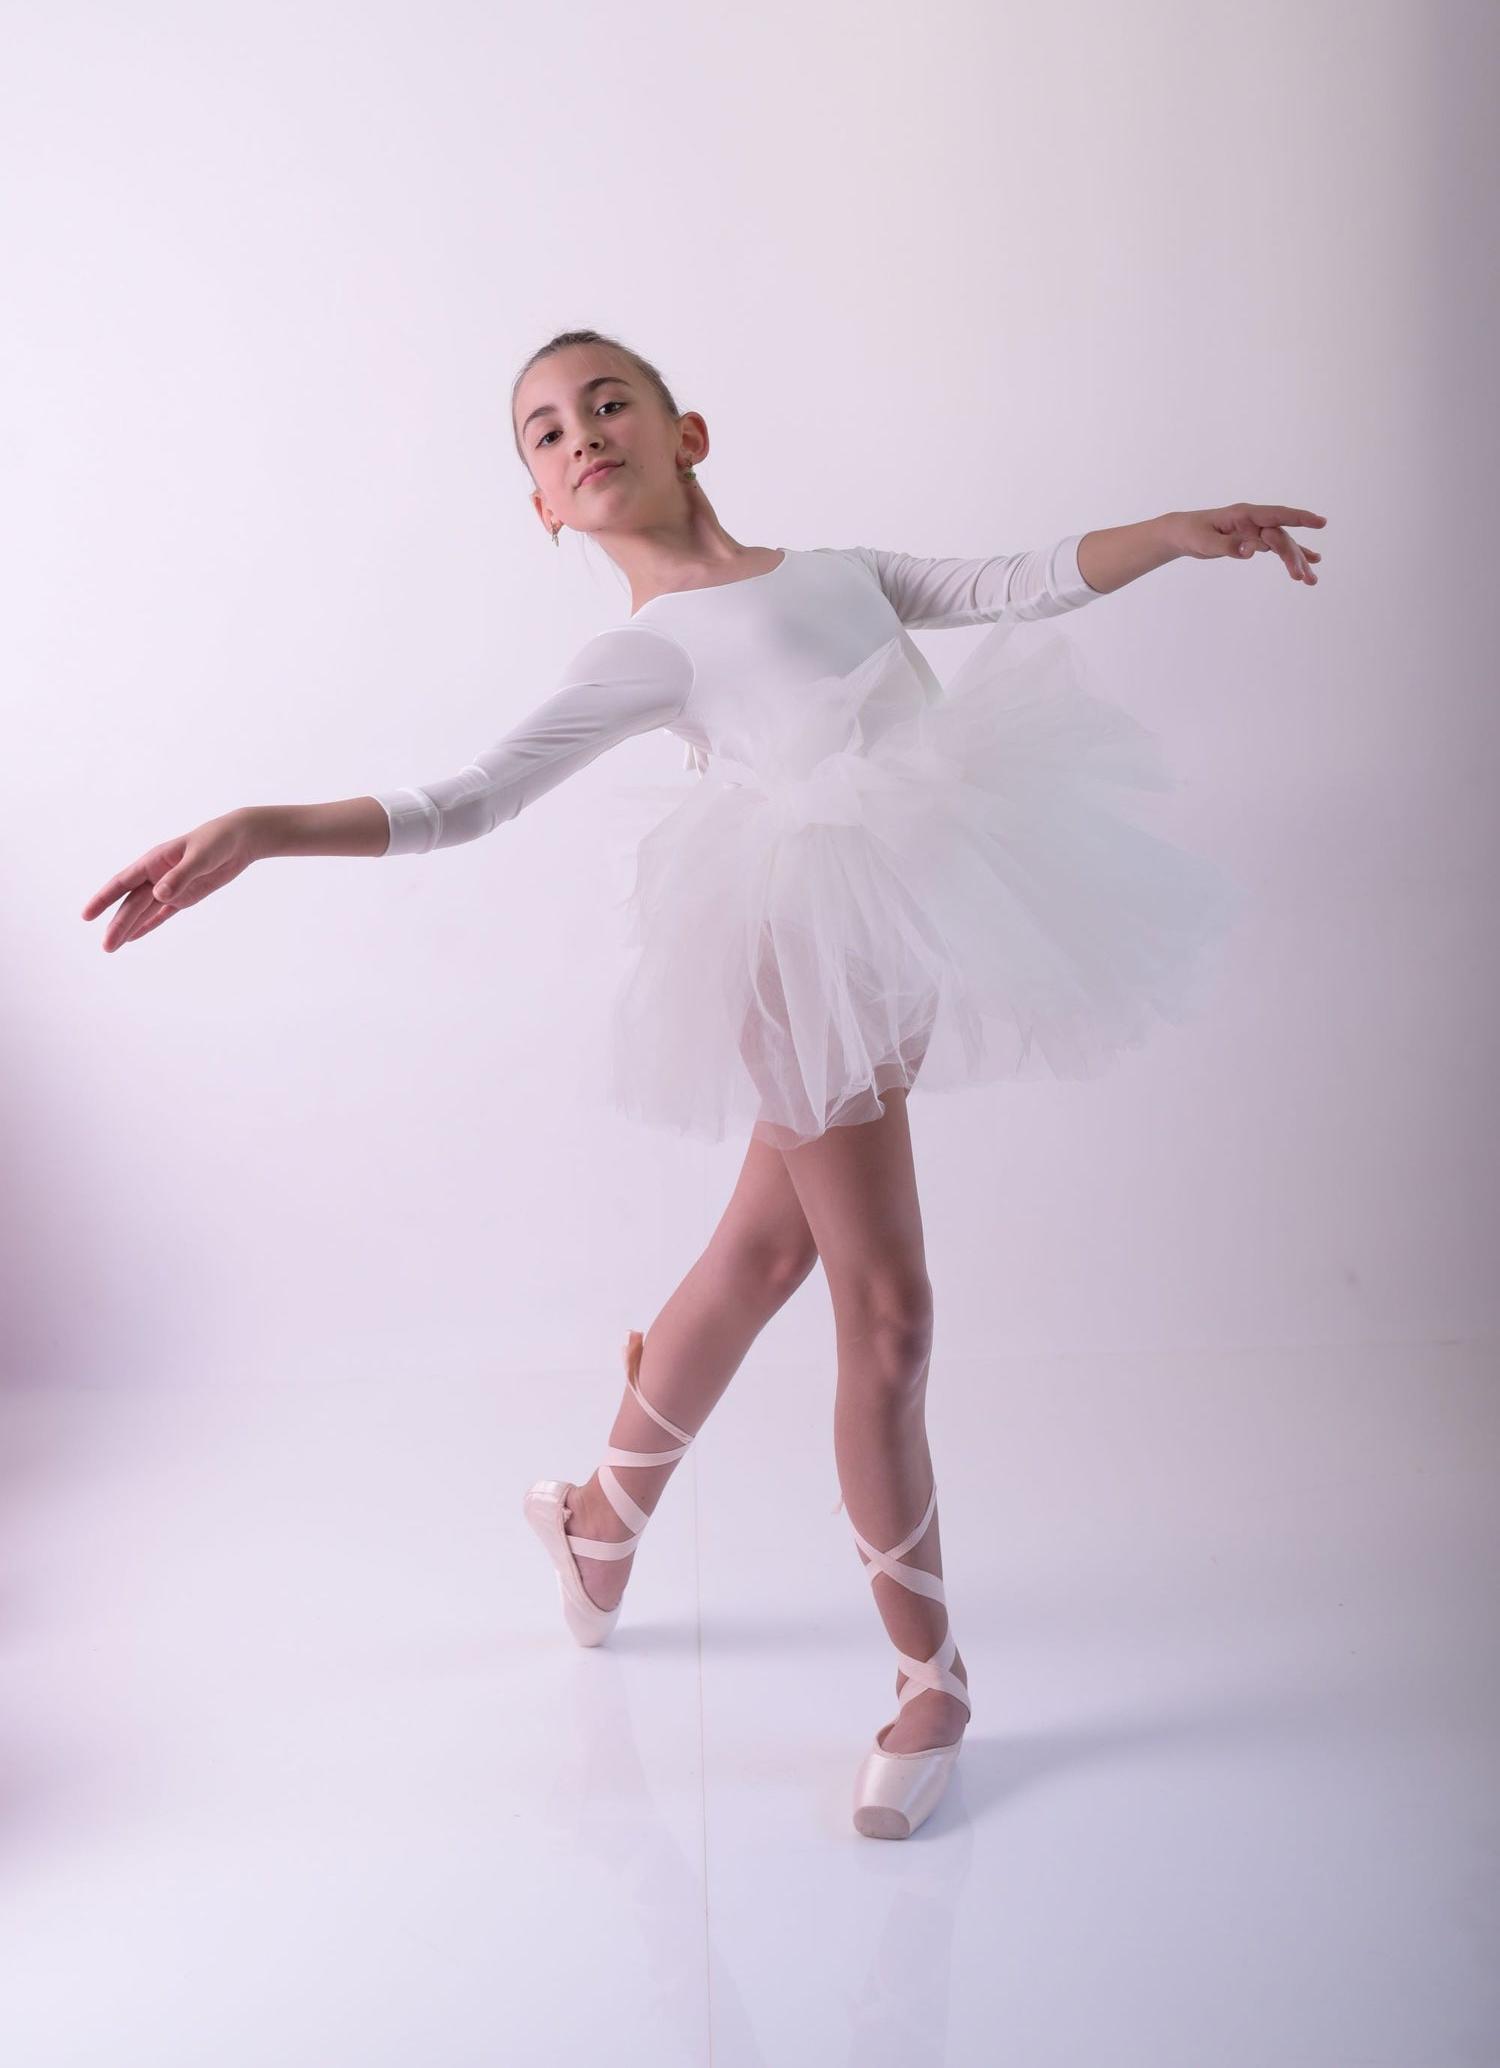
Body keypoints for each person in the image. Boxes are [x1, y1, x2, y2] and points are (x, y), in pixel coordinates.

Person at [81, 329, 1324, 1840]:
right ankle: (932, 1676)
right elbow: (467, 799)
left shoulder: (836, 571)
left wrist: (1181, 535)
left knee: (761, 1251)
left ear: (691, 432)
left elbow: (1021, 577)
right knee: (890, 1311)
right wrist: (261, 825)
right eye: (543, 435)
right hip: (794, 953)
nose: (580, 434)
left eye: (608, 403)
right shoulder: (638, 651)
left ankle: (596, 1523)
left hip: (911, 928)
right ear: (545, 509)